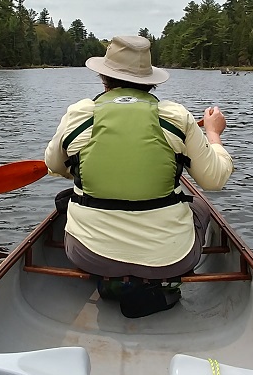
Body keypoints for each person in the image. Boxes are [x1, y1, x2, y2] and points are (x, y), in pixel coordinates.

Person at [44, 35, 234, 316]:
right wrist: (214, 134)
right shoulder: (177, 118)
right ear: (150, 80)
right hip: (171, 259)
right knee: (200, 203)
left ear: (103, 77)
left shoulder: (78, 114)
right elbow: (214, 180)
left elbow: (54, 166)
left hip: (89, 257)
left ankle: (114, 282)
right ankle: (159, 286)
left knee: (70, 198)